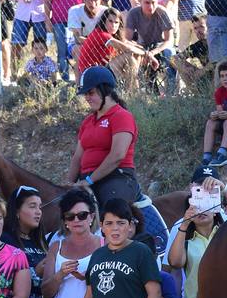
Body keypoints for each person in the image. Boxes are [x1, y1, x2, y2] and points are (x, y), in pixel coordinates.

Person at [68, 65, 169, 252]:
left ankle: (135, 253)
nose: (87, 98)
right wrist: (68, 184)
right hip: (87, 179)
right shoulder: (88, 121)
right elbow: (77, 158)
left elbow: (117, 155)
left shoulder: (122, 117)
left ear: (105, 90)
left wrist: (89, 180)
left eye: (91, 93)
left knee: (113, 210)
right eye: (85, 94)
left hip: (117, 177)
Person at [124, 0, 177, 90]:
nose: (151, 6)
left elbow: (169, 40)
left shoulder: (162, 12)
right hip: (142, 46)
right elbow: (127, 40)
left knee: (168, 54)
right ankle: (147, 91)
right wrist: (144, 52)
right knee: (133, 57)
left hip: (160, 45)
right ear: (140, 1)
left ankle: (172, 93)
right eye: (147, 3)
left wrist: (153, 52)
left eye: (154, 2)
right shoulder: (133, 13)